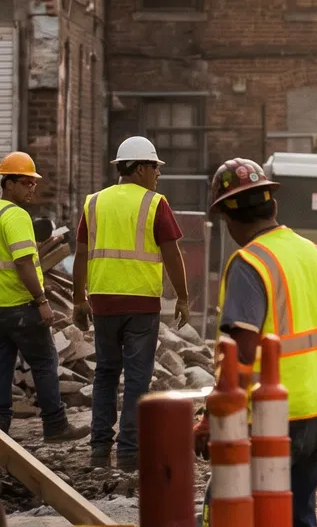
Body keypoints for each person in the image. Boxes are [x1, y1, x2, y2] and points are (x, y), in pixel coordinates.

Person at [209, 158, 317, 527]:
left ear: (228, 219)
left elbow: (242, 352)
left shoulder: (249, 262)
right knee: (299, 516)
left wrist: (213, 419)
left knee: (232, 510)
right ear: (274, 205)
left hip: (273, 418)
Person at [73, 135, 192, 470]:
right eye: (154, 167)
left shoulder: (93, 202)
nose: (158, 174)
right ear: (140, 168)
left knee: (106, 374)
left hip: (103, 303)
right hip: (141, 304)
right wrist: (182, 298)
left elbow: (81, 254)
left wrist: (78, 300)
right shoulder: (154, 203)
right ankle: (128, 453)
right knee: (138, 378)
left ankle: (99, 450)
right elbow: (172, 252)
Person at [0, 152, 82, 442]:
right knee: (45, 362)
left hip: (1, 308)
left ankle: (2, 433)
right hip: (21, 306)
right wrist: (42, 301)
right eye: (25, 183)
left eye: (32, 183)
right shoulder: (16, 216)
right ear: (7, 184)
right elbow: (23, 263)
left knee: (2, 368)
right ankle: (56, 426)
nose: (31, 188)